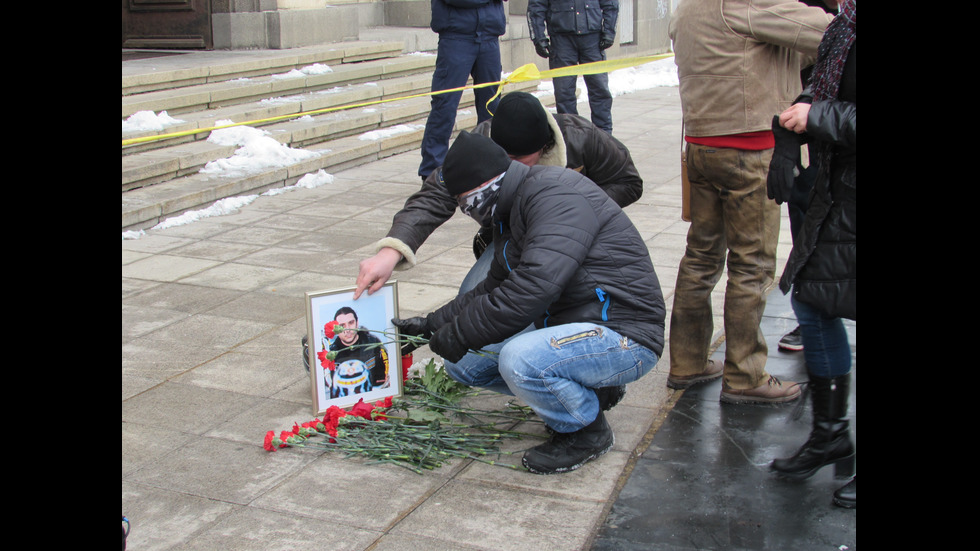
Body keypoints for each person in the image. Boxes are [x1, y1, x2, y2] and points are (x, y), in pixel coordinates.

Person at [392, 131, 665, 474]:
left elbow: (530, 290)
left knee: (520, 360)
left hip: (624, 333)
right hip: (579, 323)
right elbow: (492, 287)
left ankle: (586, 431)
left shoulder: (555, 196)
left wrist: (461, 333)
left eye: (464, 203)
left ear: (484, 187)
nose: (466, 212)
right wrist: (431, 325)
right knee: (464, 365)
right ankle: (586, 394)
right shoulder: (513, 206)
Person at [665, 0, 834, 403]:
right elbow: (828, 30)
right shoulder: (745, 2)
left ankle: (686, 362)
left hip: (702, 147)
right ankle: (745, 375)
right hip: (749, 149)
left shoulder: (687, 7)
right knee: (752, 265)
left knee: (701, 257)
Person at [354, 90, 643, 300]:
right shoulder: (482, 140)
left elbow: (629, 182)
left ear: (545, 146)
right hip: (512, 237)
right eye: (505, 158)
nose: (512, 167)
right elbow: (435, 193)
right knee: (473, 298)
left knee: (568, 296)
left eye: (522, 159)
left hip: (575, 235)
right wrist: (391, 252)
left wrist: (578, 212)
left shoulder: (582, 137)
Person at [768, 0, 856, 509]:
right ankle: (831, 434)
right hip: (838, 193)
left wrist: (818, 116)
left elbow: (824, 106)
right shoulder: (843, 26)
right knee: (813, 304)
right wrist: (787, 134)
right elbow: (818, 90)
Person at [775, 0, 840, 353]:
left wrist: (817, 113)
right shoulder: (837, 23)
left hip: (828, 137)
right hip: (813, 148)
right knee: (809, 270)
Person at [418, 0, 506, 181]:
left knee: (491, 107)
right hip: (456, 38)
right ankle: (432, 172)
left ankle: (490, 166)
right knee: (445, 106)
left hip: (489, 36)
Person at [527, 0, 618, 134]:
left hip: (592, 40)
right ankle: (571, 138)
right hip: (561, 41)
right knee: (564, 94)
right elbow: (536, 6)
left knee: (600, 90)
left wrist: (609, 31)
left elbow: (611, 3)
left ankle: (604, 138)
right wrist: (538, 38)